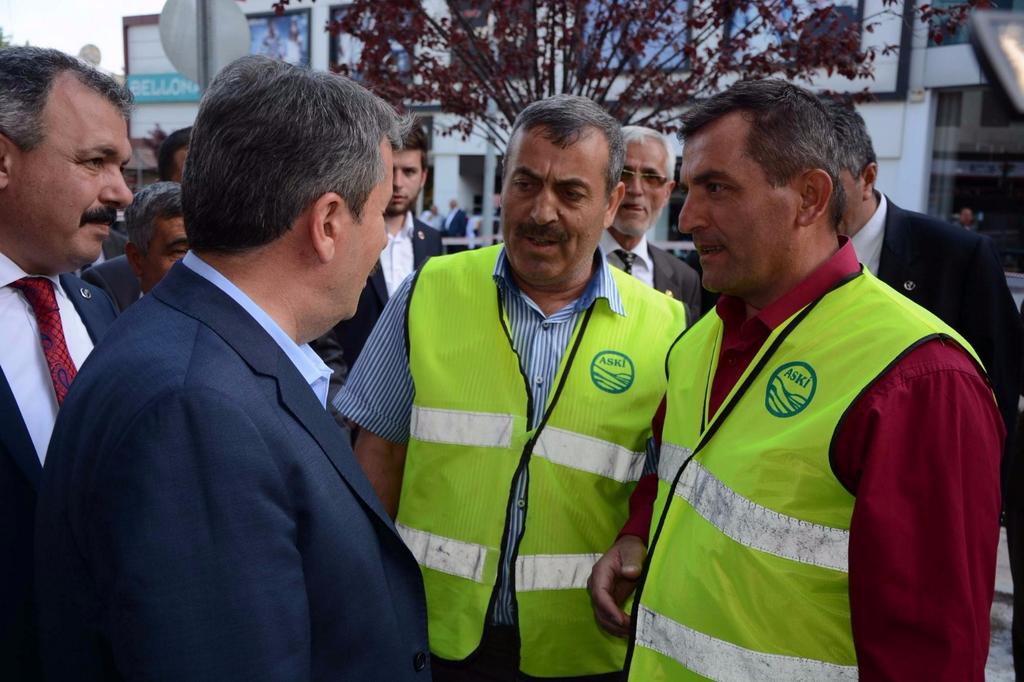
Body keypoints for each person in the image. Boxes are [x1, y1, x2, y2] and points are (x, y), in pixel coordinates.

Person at [590, 79, 1003, 680]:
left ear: (810, 197)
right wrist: (635, 536)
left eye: (717, 188)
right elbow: (679, 472)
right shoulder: (703, 337)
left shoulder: (922, 379)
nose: (688, 215)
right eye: (687, 188)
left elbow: (930, 651)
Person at [35, 56, 431, 680]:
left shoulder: (198, 351)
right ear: (327, 223)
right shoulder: (195, 409)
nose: (384, 240)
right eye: (378, 213)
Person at [338, 94, 686, 681]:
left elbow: (668, 489)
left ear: (612, 203)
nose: (541, 211)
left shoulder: (668, 329)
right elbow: (377, 460)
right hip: (433, 640)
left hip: (581, 651)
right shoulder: (430, 292)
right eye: (525, 183)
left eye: (571, 193)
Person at [0, 46, 131, 681]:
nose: (123, 193)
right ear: (3, 159)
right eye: (95, 161)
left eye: (123, 165)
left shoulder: (96, 302)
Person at [829, 102, 1021, 482]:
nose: (814, 204)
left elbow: (998, 386)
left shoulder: (959, 257)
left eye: (829, 187)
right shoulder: (794, 258)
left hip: (925, 480)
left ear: (868, 178)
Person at [329, 122, 442, 369]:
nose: (398, 183)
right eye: (391, 171)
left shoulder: (432, 240)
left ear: (423, 176)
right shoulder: (343, 235)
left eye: (409, 172)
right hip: (350, 387)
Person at [603, 125, 702, 323]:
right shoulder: (572, 261)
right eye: (624, 173)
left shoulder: (685, 280)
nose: (636, 189)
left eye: (651, 178)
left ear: (667, 192)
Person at [83, 181, 188, 311]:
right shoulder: (104, 291)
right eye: (180, 251)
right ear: (136, 259)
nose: (201, 265)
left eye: (205, 250)